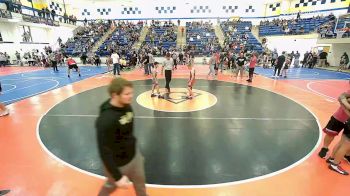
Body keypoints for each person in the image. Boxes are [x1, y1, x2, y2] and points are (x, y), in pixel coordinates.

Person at [96, 78, 147, 196]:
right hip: (118, 164)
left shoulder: (126, 105)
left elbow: (128, 132)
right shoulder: (106, 120)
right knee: (109, 187)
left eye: (131, 93)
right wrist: (117, 177)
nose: (131, 96)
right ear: (115, 95)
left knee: (140, 183)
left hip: (134, 157)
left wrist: (137, 154)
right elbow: (104, 151)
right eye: (127, 94)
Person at [319, 90, 350, 163]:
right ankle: (325, 148)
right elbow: (340, 98)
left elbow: (342, 99)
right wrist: (344, 102)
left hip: (348, 120)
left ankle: (347, 155)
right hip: (340, 117)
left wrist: (344, 101)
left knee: (346, 141)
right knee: (330, 134)